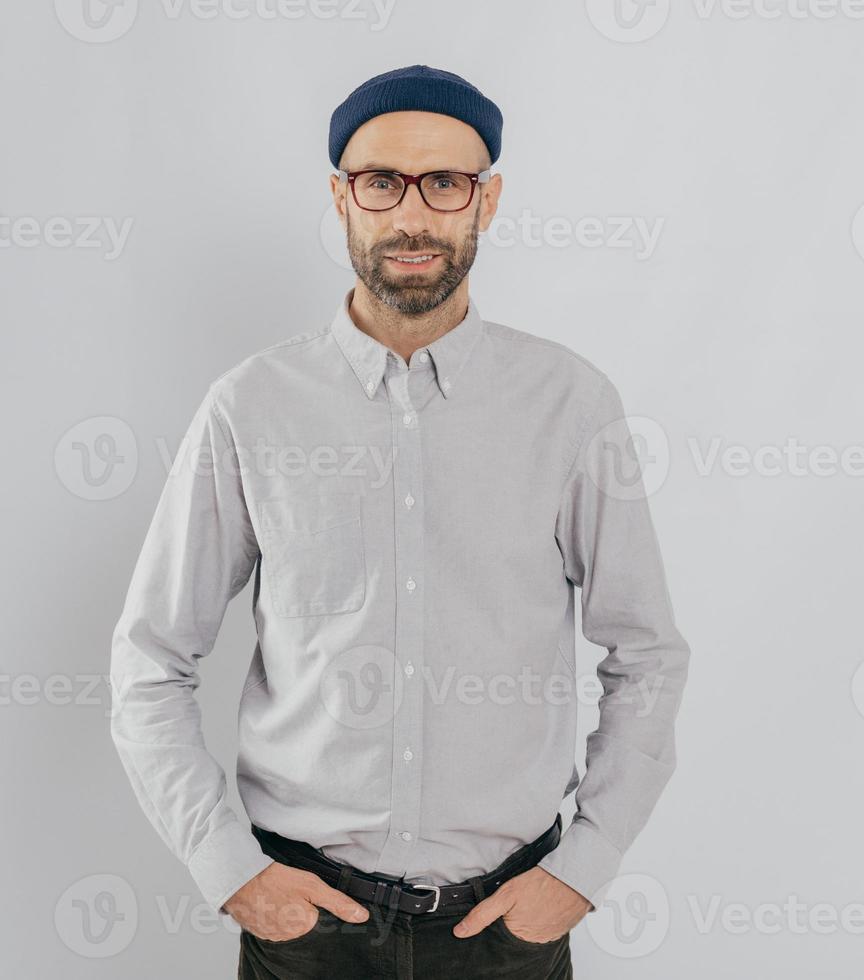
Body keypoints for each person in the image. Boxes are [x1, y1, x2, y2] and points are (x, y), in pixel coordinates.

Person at [109, 64, 691, 979]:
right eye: (381, 182)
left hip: (507, 927)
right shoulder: (251, 407)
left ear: (485, 201)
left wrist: (582, 871)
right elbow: (151, 658)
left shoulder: (571, 405)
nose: (412, 215)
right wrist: (232, 874)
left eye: (445, 184)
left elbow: (646, 651)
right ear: (341, 198)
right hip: (307, 928)